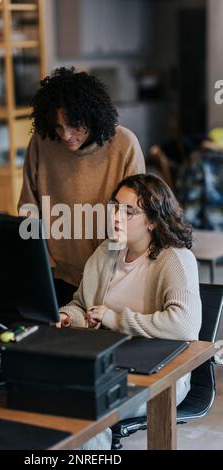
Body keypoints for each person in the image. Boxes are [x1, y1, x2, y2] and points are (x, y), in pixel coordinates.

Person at [58, 173, 202, 449]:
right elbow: (83, 305)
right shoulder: (107, 251)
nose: (116, 216)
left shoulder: (175, 258)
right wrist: (68, 316)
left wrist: (115, 319)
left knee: (86, 408)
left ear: (152, 220)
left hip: (161, 374)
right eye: (114, 207)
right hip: (110, 362)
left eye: (129, 211)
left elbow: (184, 325)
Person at [18, 67, 145, 306]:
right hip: (58, 275)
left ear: (92, 116)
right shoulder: (41, 142)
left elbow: (135, 214)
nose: (66, 135)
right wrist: (43, 263)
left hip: (110, 275)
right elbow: (28, 206)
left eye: (74, 125)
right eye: (57, 126)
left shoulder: (124, 144)